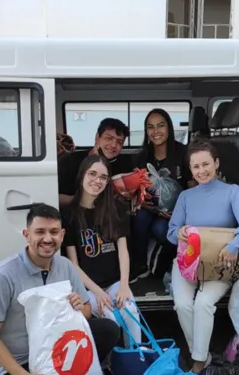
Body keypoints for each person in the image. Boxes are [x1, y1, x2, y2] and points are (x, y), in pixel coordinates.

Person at [0, 204, 122, 375]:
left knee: (109, 329)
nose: (48, 238)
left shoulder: (65, 266)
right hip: (20, 360)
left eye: (54, 232)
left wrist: (79, 307)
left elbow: (86, 311)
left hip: (53, 349)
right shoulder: (2, 276)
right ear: (26, 235)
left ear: (62, 235)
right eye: (40, 232)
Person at [167, 140, 239, 374]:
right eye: (196, 166)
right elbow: (171, 232)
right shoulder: (186, 197)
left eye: (206, 164)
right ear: (190, 169)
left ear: (216, 163)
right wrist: (180, 232)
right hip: (189, 263)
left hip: (221, 262)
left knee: (203, 303)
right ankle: (201, 354)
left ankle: (198, 363)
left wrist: (234, 246)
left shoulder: (232, 192)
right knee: (182, 305)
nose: (202, 171)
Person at [63, 155, 143, 343]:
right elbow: (73, 264)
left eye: (103, 177)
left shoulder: (115, 208)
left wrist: (124, 286)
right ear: (82, 175)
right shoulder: (69, 214)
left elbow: (123, 251)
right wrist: (98, 292)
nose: (97, 181)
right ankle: (114, 358)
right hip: (88, 287)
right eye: (92, 174)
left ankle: (136, 355)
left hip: (115, 282)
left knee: (131, 311)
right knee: (110, 318)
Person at [128, 109, 194, 280]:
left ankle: (165, 262)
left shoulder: (183, 154)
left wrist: (179, 213)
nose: (155, 131)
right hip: (150, 209)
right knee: (139, 217)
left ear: (169, 128)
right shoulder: (142, 157)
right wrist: (141, 202)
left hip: (175, 212)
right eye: (150, 127)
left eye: (160, 125)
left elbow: (193, 189)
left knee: (161, 230)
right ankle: (140, 265)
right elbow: (135, 189)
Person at [58, 118, 132, 208]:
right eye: (109, 138)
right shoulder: (70, 161)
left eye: (119, 142)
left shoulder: (123, 167)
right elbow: (56, 197)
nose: (114, 145)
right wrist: (87, 200)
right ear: (97, 137)